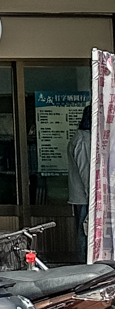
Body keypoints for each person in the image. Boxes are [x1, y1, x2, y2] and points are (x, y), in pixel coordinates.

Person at [71, 105, 93, 252]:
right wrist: (93, 197)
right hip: (85, 198)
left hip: (84, 197)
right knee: (85, 234)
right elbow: (86, 172)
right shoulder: (83, 140)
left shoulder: (83, 137)